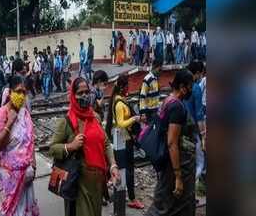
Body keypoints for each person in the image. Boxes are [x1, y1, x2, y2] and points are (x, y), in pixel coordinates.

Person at [49, 77, 120, 216]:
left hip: (98, 182)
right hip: (79, 183)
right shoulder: (67, 121)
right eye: (80, 93)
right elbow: (52, 148)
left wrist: (113, 165)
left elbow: (105, 143)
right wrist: (71, 146)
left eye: (87, 92)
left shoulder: (95, 117)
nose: (85, 96)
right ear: (73, 96)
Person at [144, 70, 196, 216]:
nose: (192, 89)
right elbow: (172, 142)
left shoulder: (169, 100)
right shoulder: (177, 107)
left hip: (173, 164)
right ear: (182, 87)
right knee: (164, 206)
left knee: (175, 205)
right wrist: (178, 176)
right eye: (190, 86)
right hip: (177, 165)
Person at [0, 76, 40, 216]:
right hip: (9, 178)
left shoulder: (25, 114)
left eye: (24, 92)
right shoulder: (2, 113)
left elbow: (30, 141)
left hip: (27, 176)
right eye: (18, 91)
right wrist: (9, 123)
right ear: (10, 92)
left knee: (26, 212)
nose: (21, 96)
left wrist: (34, 165)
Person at [105, 74, 146, 210]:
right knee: (127, 170)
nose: (128, 87)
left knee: (126, 169)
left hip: (124, 140)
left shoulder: (119, 99)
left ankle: (124, 194)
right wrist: (134, 119)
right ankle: (131, 198)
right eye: (127, 85)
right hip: (124, 140)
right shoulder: (119, 103)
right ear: (122, 87)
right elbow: (121, 123)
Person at [184, 62, 206, 181]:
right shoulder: (195, 88)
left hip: (179, 127)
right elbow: (199, 114)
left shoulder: (181, 84)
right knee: (200, 162)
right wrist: (203, 135)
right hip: (192, 130)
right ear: (197, 73)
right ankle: (189, 186)